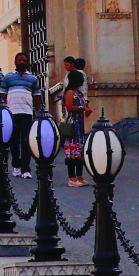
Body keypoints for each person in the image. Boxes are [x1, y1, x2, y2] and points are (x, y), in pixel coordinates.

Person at [2, 51, 40, 172]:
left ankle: (25, 169)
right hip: (12, 113)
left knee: (26, 141)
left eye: (24, 60)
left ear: (27, 62)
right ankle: (16, 165)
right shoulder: (8, 77)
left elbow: (37, 96)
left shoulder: (33, 78)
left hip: (27, 113)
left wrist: (39, 112)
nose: (22, 62)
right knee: (13, 141)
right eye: (20, 60)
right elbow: (3, 94)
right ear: (15, 62)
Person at [57, 55, 90, 186]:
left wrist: (86, 110)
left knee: (79, 152)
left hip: (79, 124)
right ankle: (72, 178)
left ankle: (80, 175)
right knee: (72, 152)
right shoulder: (70, 92)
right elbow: (70, 107)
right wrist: (82, 107)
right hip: (72, 124)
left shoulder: (79, 94)